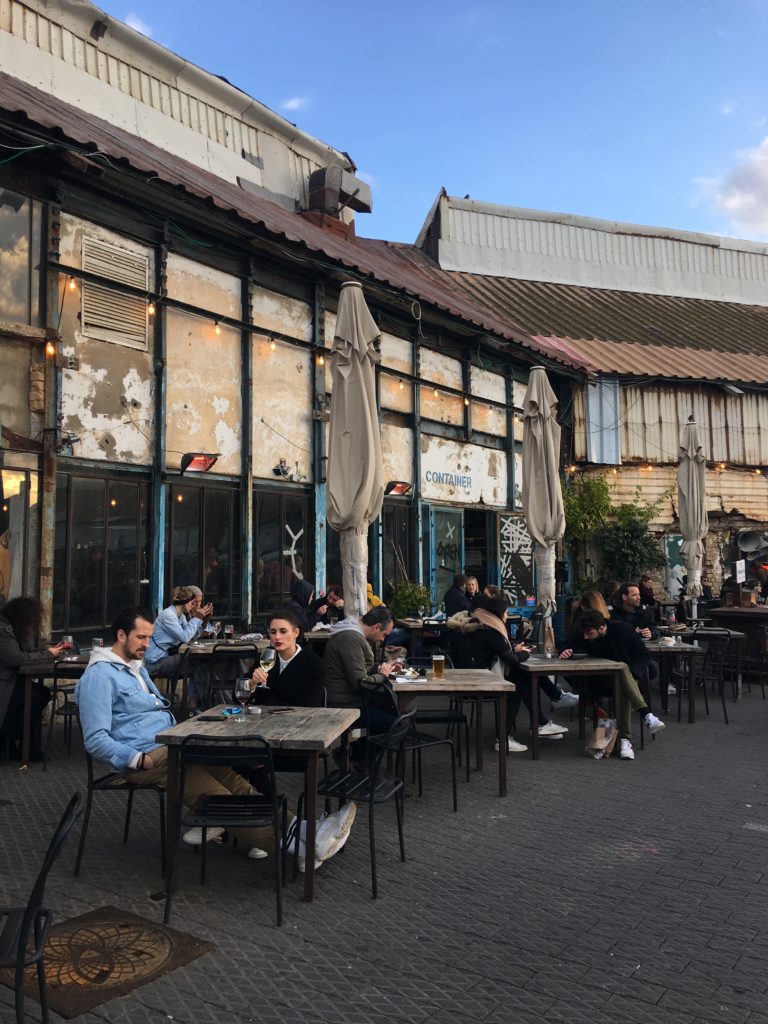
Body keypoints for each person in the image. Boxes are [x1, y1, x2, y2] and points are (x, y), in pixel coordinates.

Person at [75, 607, 270, 858]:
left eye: (149, 637)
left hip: (171, 743)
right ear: (121, 636)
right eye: (141, 637)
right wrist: (137, 760)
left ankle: (301, 827)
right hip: (147, 756)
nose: (147, 644)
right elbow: (95, 739)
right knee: (220, 799)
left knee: (228, 772)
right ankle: (294, 842)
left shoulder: (136, 668)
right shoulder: (99, 676)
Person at [463, 596, 572, 752]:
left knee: (522, 677)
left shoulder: (481, 625)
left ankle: (540, 722)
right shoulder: (491, 631)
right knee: (515, 688)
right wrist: (525, 653)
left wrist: (512, 651)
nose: (507, 616)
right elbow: (513, 660)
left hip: (477, 673)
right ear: (499, 614)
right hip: (481, 678)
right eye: (506, 613)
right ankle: (505, 738)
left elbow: (496, 652)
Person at [560, 610, 665, 761]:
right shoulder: (585, 632)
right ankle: (645, 716)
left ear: (602, 628)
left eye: (589, 633)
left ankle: (625, 739)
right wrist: (564, 651)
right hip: (598, 681)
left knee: (622, 675)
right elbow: (565, 644)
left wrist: (632, 673)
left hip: (626, 680)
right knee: (621, 670)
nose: (585, 637)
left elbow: (643, 655)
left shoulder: (623, 630)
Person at [323, 606, 399, 762]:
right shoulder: (352, 639)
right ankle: (354, 757)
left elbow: (360, 670)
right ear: (376, 627)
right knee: (394, 724)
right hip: (343, 705)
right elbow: (361, 683)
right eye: (384, 635)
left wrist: (380, 669)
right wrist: (382, 675)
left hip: (350, 700)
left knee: (393, 715)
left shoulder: (353, 634)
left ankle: (358, 759)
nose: (383, 639)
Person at [0, 598, 67, 761]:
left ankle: (22, 741)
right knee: (37, 695)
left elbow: (21, 654)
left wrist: (46, 652)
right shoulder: (2, 630)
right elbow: (16, 658)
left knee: (38, 694)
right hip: (4, 683)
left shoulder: (8, 628)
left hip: (10, 680)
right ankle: (26, 745)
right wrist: (48, 654)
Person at [249, 610, 325, 707]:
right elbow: (238, 696)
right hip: (259, 719)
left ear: (296, 633)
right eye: (273, 632)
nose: (277, 637)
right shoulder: (267, 656)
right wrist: (252, 683)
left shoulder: (313, 664)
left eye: (283, 631)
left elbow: (310, 706)